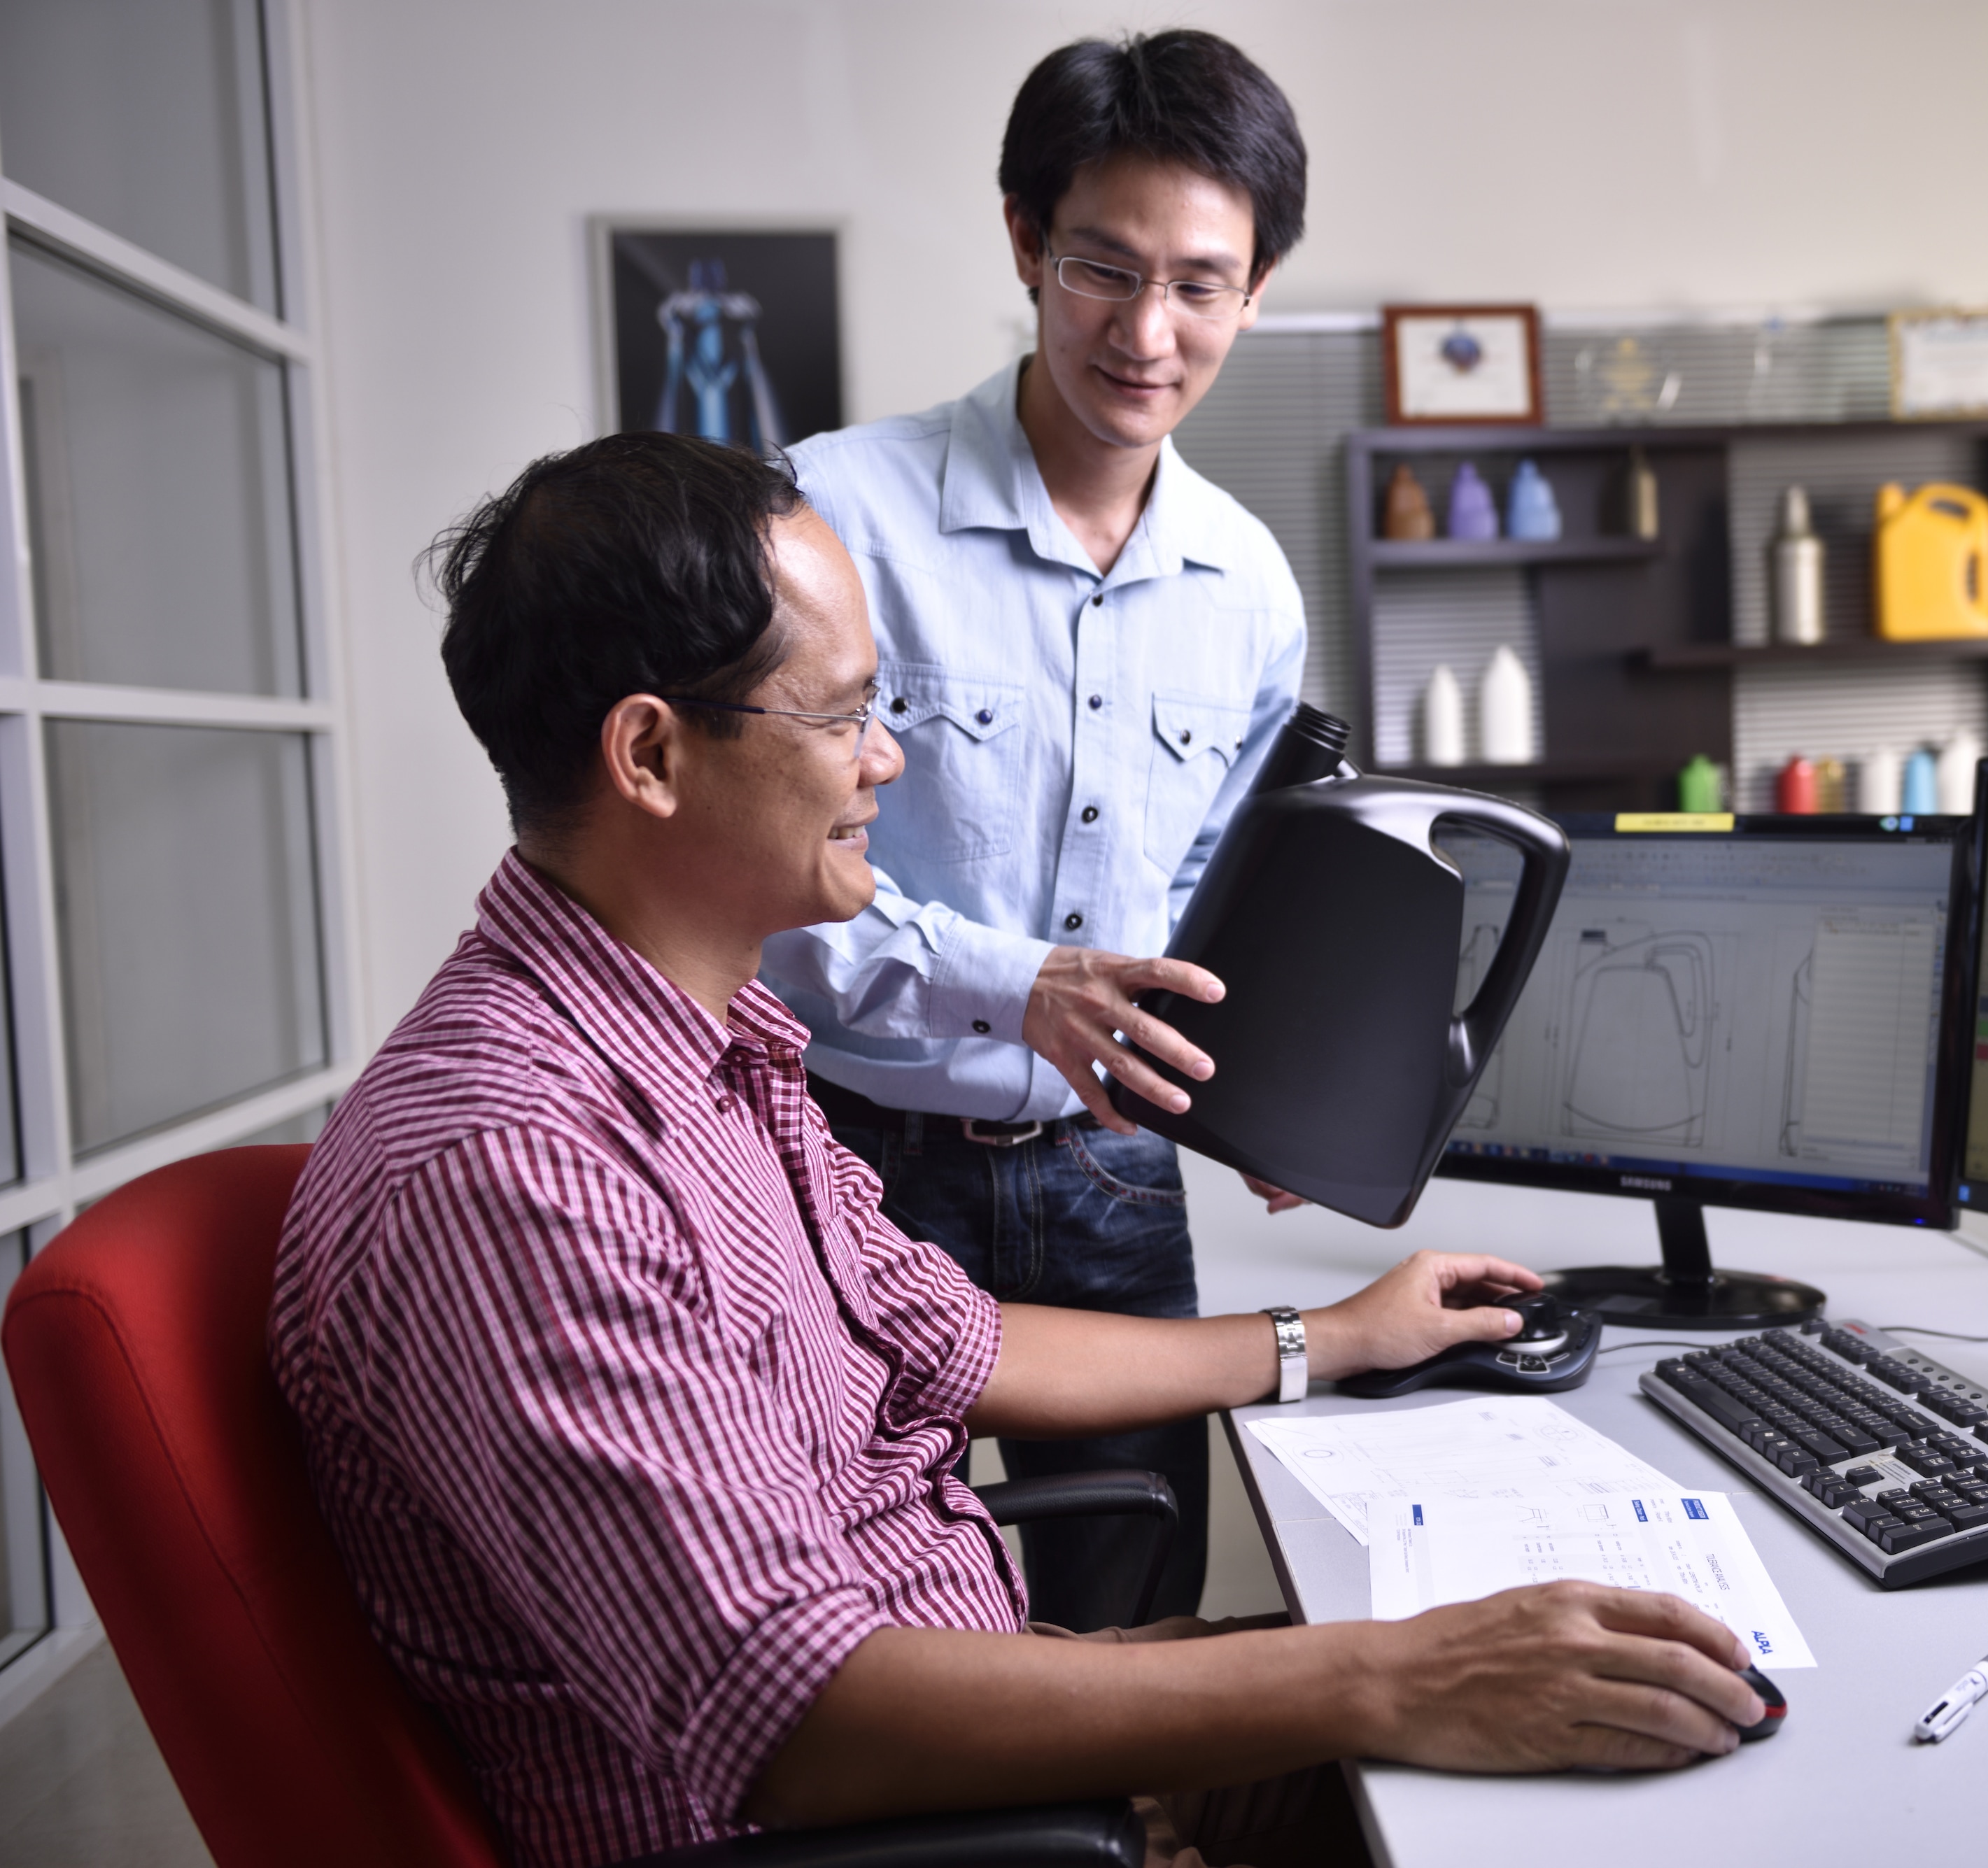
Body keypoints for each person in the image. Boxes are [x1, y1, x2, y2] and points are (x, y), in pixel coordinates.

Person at [273, 433, 1762, 1868]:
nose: (889, 762)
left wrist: (1337, 1337)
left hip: (999, 1738)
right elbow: (802, 1723)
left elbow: (956, 1340)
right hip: (906, 1828)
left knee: (1641, 1713)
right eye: (844, 714)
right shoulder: (513, 1167)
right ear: (650, 753)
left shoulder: (709, 1051)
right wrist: (1389, 1679)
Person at [760, 28, 1311, 1630]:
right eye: (1102, 270)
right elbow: (760, 871)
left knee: (1134, 1612)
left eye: (1201, 284)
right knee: (853, 1607)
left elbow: (1216, 892)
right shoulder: (831, 517)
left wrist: (1268, 1080)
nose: (1148, 334)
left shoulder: (1252, 588)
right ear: (1024, 241)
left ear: (1257, 286)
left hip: (1114, 1172)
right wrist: (1024, 985)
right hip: (852, 1157)